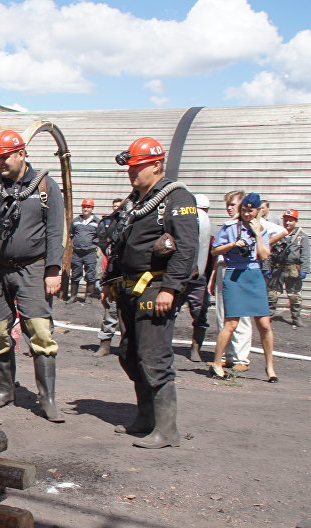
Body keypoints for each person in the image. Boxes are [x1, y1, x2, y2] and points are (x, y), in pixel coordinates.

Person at [0, 129, 66, 423]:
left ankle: (48, 400)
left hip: (32, 268)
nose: (1, 163)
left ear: (22, 154)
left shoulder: (44, 185)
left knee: (41, 333)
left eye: (6, 157)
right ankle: (6, 390)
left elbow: (56, 229)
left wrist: (53, 270)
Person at [102, 136, 198, 449]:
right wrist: (109, 283)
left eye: (138, 166)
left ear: (157, 165)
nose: (133, 172)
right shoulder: (136, 201)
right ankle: (145, 417)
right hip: (128, 288)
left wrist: (171, 288)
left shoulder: (176, 196)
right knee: (130, 354)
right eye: (130, 167)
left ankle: (167, 430)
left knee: (154, 357)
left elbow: (186, 248)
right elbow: (119, 246)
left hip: (156, 288)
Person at [208, 193, 276, 382]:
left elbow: (263, 255)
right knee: (231, 324)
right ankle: (217, 363)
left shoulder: (260, 228)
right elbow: (214, 250)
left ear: (257, 211)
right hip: (234, 274)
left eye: (250, 211)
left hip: (254, 275)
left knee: (264, 324)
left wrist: (257, 234)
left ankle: (270, 367)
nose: (246, 214)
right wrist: (232, 244)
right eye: (244, 210)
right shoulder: (230, 227)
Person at [210, 191, 253, 371]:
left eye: (233, 204)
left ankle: (241, 358)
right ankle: (228, 354)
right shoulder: (227, 226)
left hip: (240, 270)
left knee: (241, 316)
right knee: (222, 314)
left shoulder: (250, 226)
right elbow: (215, 252)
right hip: (222, 268)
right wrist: (212, 278)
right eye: (228, 204)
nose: (229, 208)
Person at [178, 194, 214, 362]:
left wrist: (209, 278)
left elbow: (212, 257)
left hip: (199, 278)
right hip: (179, 276)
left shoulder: (211, 230)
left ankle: (195, 348)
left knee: (200, 313)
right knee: (168, 311)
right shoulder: (182, 226)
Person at [267, 209, 308, 328]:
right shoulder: (277, 234)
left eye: (290, 220)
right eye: (285, 220)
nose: (287, 223)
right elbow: (268, 252)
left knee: (295, 296)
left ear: (295, 221)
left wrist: (304, 270)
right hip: (278, 269)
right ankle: (269, 315)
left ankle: (296, 318)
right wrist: (266, 268)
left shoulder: (301, 236)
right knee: (272, 294)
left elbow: (305, 254)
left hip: (293, 269)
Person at [94, 198, 125, 356]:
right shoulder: (108, 243)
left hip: (131, 277)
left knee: (128, 316)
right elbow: (103, 258)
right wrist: (102, 280)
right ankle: (105, 344)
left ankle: (126, 347)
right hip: (113, 278)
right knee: (110, 312)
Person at [68, 198, 100, 303]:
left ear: (92, 208)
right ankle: (73, 296)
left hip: (90, 253)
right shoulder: (75, 221)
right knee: (75, 274)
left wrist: (93, 244)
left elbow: (100, 235)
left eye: (88, 207)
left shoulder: (97, 222)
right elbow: (71, 233)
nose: (85, 209)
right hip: (77, 253)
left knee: (90, 274)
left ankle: (89, 296)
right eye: (84, 207)